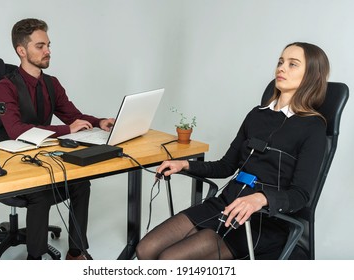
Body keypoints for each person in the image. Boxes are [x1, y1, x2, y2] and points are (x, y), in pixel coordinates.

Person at [136, 42, 329, 260]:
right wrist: (185, 164)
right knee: (146, 249)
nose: (281, 68)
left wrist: (261, 198)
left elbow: (300, 195)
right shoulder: (256, 115)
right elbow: (226, 165)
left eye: (293, 64)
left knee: (169, 260)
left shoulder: (313, 127)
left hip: (262, 220)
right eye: (280, 61)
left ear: (311, 75)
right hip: (225, 203)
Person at [0, 18, 115, 260]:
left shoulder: (51, 84)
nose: (48, 51)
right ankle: (35, 258)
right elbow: (17, 130)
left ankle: (76, 251)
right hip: (13, 164)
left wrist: (99, 121)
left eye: (48, 45)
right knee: (41, 194)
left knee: (81, 183)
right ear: (21, 50)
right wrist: (66, 130)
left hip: (41, 158)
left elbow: (73, 115)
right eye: (40, 46)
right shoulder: (5, 87)